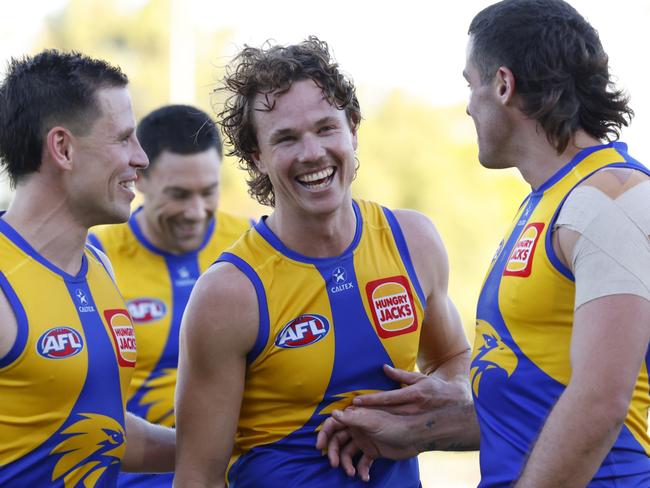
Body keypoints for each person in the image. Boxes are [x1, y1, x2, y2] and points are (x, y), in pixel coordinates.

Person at [319, 0, 650, 486]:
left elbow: (601, 399)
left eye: (469, 84)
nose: (469, 104)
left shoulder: (612, 199)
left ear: (502, 84)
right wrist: (420, 430)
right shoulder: (549, 202)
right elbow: (537, 398)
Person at [173, 37, 472, 487]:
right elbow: (198, 477)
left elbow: (454, 360)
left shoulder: (414, 240)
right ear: (258, 158)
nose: (312, 153)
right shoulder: (228, 293)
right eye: (286, 138)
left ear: (353, 129)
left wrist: (416, 422)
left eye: (325, 128)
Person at [0, 50, 175, 486]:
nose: (141, 158)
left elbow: (104, 434)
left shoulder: (98, 267)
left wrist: (250, 437)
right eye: (123, 138)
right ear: (63, 148)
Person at [88, 104, 251, 487]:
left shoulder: (252, 247)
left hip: (237, 474)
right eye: (178, 194)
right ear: (138, 179)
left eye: (208, 192)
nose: (196, 212)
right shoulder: (94, 257)